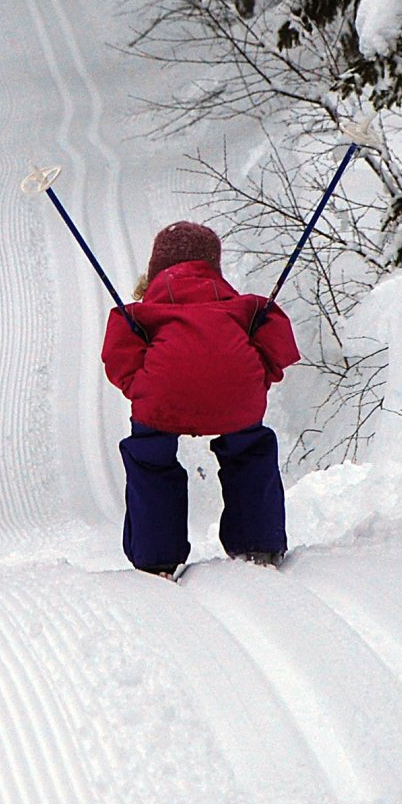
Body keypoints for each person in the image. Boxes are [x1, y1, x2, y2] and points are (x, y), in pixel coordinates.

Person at [100, 221, 300, 578]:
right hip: (236, 387)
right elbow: (277, 341)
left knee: (151, 459)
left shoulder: (143, 314)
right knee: (249, 452)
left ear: (154, 270)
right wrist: (256, 375)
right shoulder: (240, 308)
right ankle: (258, 543)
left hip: (163, 390)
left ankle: (157, 557)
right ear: (214, 267)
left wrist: (141, 385)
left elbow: (118, 354)